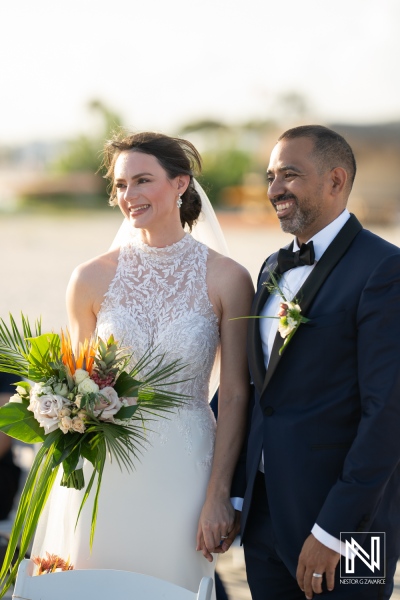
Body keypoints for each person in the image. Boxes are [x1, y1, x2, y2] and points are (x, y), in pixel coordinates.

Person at [31, 132, 253, 598]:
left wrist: (219, 495)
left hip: (186, 472)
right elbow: (77, 386)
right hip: (103, 474)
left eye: (142, 180)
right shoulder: (90, 278)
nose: (128, 196)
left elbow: (233, 393)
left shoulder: (228, 278)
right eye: (120, 185)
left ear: (180, 184)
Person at [230, 125, 400, 599]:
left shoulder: (386, 269)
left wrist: (333, 531)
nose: (274, 189)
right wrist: (233, 493)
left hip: (351, 527)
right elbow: (257, 387)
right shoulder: (270, 266)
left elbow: (388, 415)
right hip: (264, 518)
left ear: (335, 180)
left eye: (290, 174)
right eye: (270, 176)